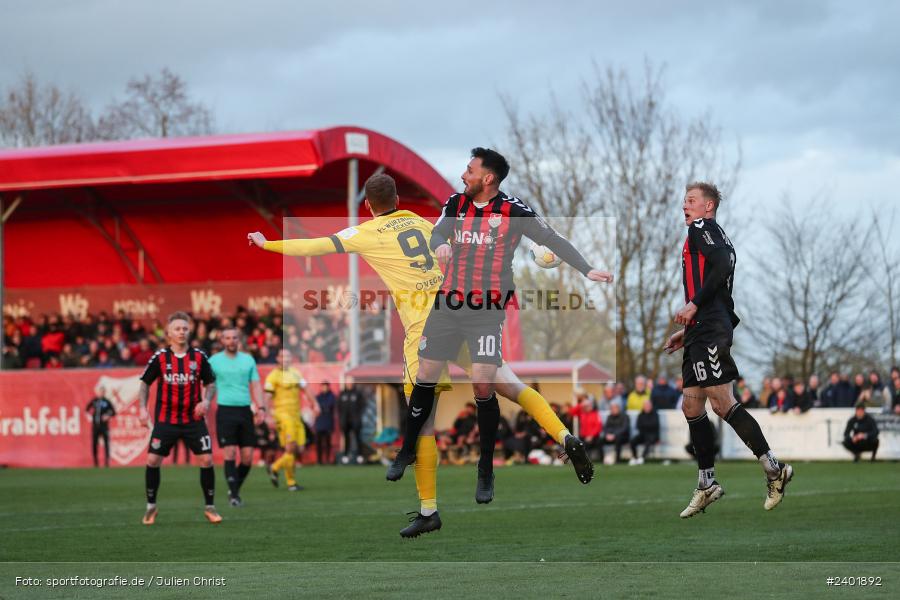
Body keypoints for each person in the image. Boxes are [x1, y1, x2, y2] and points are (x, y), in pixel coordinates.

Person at [249, 171, 606, 538]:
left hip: (425, 328)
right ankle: (564, 436)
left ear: (368, 205)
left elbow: (317, 246)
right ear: (398, 200)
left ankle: (428, 510)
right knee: (510, 384)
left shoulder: (366, 232)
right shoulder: (422, 223)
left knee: (423, 423)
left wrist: (267, 244)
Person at [388, 147, 613, 503]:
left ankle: (485, 469)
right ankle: (406, 451)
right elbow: (437, 234)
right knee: (425, 376)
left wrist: (586, 269)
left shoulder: (514, 211)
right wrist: (441, 245)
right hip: (448, 304)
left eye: (470, 170)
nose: (463, 175)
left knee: (483, 384)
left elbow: (552, 239)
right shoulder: (456, 203)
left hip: (486, 310)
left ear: (488, 178)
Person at [664, 182, 792, 519]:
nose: (685, 205)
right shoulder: (712, 233)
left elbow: (722, 266)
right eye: (684, 200)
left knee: (722, 402)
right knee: (692, 405)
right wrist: (687, 331)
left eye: (691, 200)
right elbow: (719, 275)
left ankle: (774, 469)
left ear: (708, 206)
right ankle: (707, 483)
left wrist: (694, 306)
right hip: (700, 328)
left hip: (708, 326)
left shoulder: (701, 227)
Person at [138, 311, 221, 525]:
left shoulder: (199, 357)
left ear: (189, 331)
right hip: (166, 420)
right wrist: (142, 409)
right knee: (152, 460)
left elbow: (211, 383)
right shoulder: (160, 357)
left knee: (207, 460)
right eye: (177, 329)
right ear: (169, 333)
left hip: (193, 420)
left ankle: (210, 507)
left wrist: (206, 401)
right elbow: (145, 383)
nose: (182, 332)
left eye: (185, 328)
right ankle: (151, 507)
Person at [208, 327, 265, 507]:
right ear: (222, 341)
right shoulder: (214, 361)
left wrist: (261, 407)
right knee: (230, 452)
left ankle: (234, 489)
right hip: (225, 410)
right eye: (227, 338)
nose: (231, 341)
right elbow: (208, 385)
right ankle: (234, 496)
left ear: (239, 340)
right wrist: (205, 403)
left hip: (245, 411)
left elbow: (256, 385)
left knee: (247, 457)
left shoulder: (248, 360)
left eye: (234, 338)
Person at [263, 349, 308, 491]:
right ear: (277, 358)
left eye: (288, 356)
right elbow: (267, 397)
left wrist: (315, 404)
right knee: (290, 447)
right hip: (283, 416)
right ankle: (290, 481)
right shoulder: (273, 376)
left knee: (299, 448)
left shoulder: (296, 373)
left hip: (296, 416)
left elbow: (306, 389)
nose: (285, 359)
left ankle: (275, 468)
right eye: (283, 356)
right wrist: (266, 414)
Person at [86, 386, 116, 467]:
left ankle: (107, 462)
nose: (101, 393)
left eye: (102, 391)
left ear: (104, 392)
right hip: (95, 426)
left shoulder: (107, 402)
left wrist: (107, 416)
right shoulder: (94, 401)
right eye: (100, 391)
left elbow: (113, 412)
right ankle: (95, 462)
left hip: (104, 426)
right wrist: (89, 417)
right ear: (97, 392)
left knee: (106, 443)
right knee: (94, 443)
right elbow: (87, 409)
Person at [337, 380, 366, 463]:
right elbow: (339, 406)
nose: (349, 384)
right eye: (348, 383)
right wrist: (342, 417)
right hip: (345, 421)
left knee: (357, 437)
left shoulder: (357, 393)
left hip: (355, 420)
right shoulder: (342, 394)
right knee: (346, 438)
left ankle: (360, 456)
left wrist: (358, 416)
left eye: (350, 383)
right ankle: (346, 455)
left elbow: (362, 405)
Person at [629, 399, 660, 465]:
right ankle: (635, 457)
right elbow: (638, 425)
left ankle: (642, 458)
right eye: (645, 406)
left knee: (648, 441)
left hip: (653, 435)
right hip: (642, 434)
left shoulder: (655, 414)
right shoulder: (640, 415)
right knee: (632, 441)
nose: (647, 407)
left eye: (648, 406)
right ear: (643, 407)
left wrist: (645, 425)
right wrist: (647, 426)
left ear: (651, 406)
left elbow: (654, 425)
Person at [314, 382, 337, 465]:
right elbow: (315, 406)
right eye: (323, 386)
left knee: (327, 442)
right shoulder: (318, 397)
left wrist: (321, 407)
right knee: (318, 442)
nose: (324, 388)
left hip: (328, 422)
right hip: (319, 422)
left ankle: (327, 459)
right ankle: (319, 460)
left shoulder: (332, 396)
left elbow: (329, 405)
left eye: (326, 386)